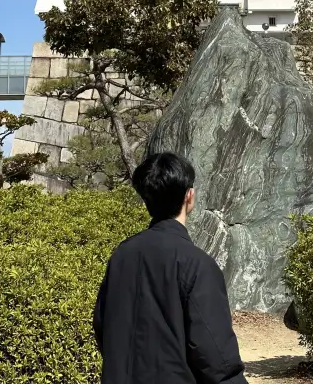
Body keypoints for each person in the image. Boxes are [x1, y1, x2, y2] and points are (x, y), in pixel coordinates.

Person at [93, 152, 247, 384]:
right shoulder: (197, 264)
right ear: (189, 196)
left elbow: (103, 327)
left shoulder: (122, 254)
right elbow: (217, 359)